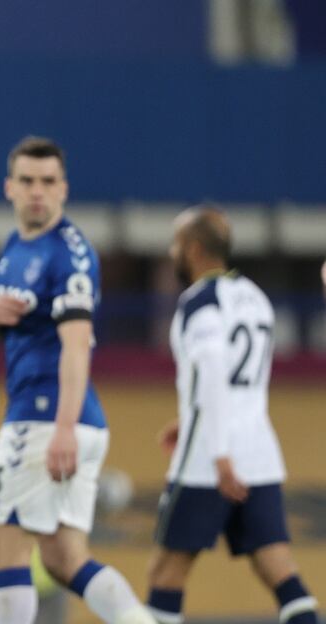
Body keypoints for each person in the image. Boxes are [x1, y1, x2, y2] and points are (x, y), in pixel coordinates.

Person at [0, 137, 154, 624]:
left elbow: (77, 345)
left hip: (46, 418)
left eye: (47, 182)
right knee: (64, 559)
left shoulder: (69, 255)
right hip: (65, 419)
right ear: (10, 188)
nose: (37, 191)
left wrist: (64, 427)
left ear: (63, 189)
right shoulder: (16, 245)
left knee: (3, 549)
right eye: (28, 181)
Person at [145, 207, 319, 624]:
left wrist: (220, 454)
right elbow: (244, 384)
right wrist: (189, 417)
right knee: (276, 566)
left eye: (176, 244)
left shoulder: (200, 303)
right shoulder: (256, 298)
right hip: (259, 454)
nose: (173, 253)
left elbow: (216, 374)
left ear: (194, 249)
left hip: (210, 461)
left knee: (166, 571)